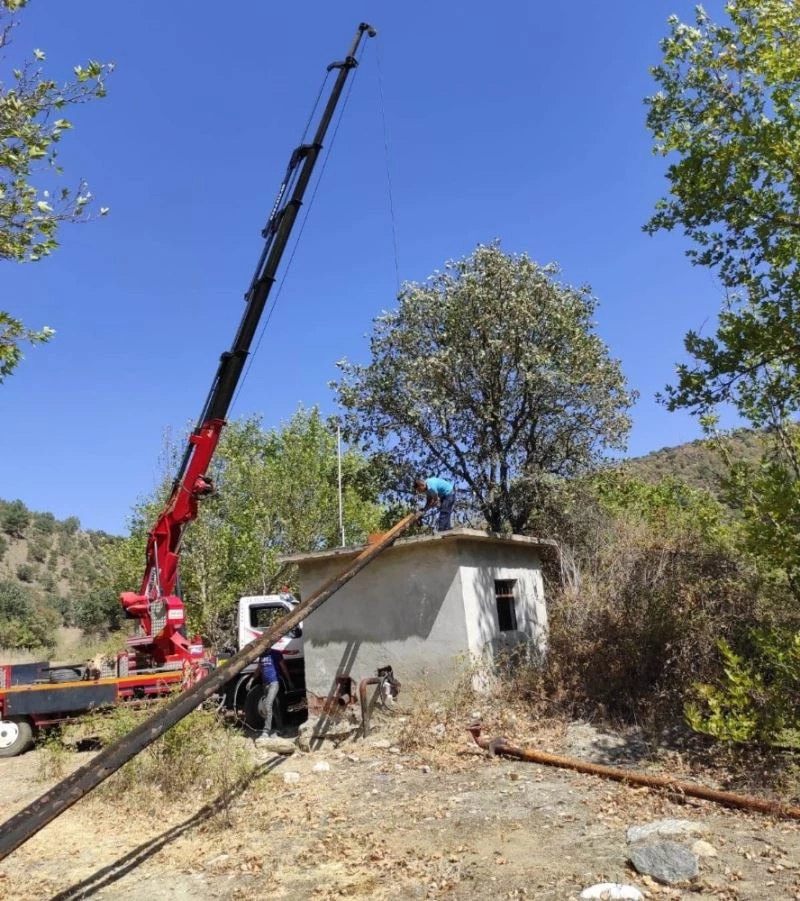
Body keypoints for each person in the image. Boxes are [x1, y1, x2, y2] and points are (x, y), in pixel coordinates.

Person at [255, 648, 292, 741]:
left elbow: (283, 668)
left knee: (268, 705)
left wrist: (289, 681)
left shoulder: (276, 653)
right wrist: (251, 679)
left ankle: (266, 731)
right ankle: (281, 729)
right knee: (274, 707)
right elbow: (259, 669)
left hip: (274, 683)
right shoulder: (262, 655)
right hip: (265, 684)